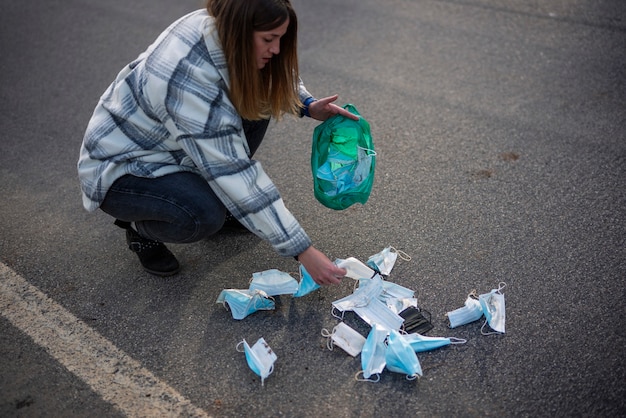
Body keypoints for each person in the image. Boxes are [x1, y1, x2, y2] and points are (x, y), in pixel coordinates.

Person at [78, 0, 356, 285]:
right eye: (269, 39)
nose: (276, 49)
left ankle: (221, 202)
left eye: (280, 39)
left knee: (256, 103)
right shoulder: (187, 81)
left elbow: (270, 78)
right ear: (239, 31)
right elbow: (234, 170)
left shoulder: (220, 27)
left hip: (174, 143)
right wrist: (303, 251)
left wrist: (306, 104)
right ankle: (140, 231)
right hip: (124, 169)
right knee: (204, 215)